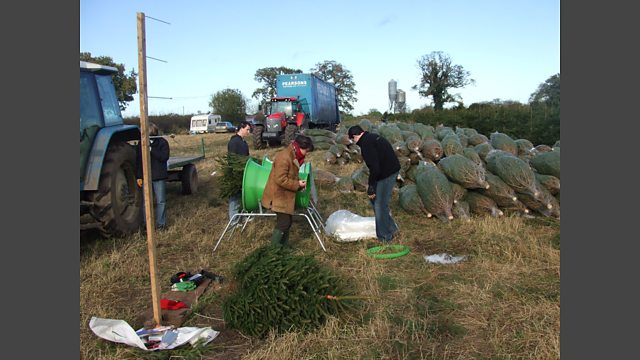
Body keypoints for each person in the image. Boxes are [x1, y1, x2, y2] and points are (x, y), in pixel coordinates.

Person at [347, 125, 401, 242]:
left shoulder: (366, 144)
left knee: (379, 204)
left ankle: (385, 237)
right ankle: (392, 228)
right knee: (376, 201)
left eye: (353, 139)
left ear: (356, 136)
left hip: (386, 173)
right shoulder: (372, 137)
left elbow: (374, 168)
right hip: (391, 169)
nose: (354, 142)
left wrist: (371, 186)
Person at [261, 134, 314, 247]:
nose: (307, 154)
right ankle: (273, 251)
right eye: (307, 151)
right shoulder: (284, 157)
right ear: (300, 147)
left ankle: (283, 248)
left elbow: (291, 174)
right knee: (284, 223)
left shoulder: (293, 155)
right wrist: (297, 184)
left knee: (287, 222)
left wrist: (299, 183)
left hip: (285, 195)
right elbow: (280, 179)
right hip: (278, 196)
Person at [136, 122, 170, 230]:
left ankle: (161, 224)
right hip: (146, 177)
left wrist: (151, 149)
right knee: (146, 202)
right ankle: (147, 225)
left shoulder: (162, 143)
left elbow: (164, 157)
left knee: (160, 201)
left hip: (158, 176)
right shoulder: (140, 144)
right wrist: (139, 176)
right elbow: (138, 161)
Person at [227, 120, 251, 227]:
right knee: (235, 197)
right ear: (241, 128)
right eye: (247, 129)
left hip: (243, 172)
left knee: (243, 196)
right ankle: (234, 221)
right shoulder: (234, 142)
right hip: (236, 173)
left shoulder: (243, 142)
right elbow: (232, 158)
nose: (248, 132)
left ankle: (244, 216)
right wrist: (236, 170)